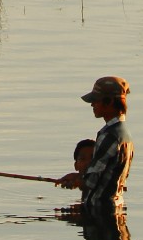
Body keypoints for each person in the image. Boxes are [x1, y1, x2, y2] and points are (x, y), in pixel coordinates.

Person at [55, 75, 132, 216]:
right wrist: (76, 177)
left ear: (108, 102)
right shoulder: (124, 134)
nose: (92, 105)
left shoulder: (109, 136)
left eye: (96, 101)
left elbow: (91, 182)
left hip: (101, 211)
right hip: (115, 208)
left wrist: (77, 181)